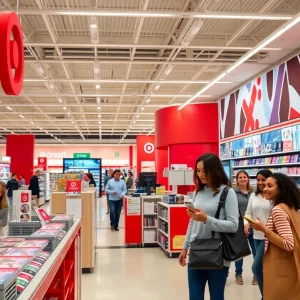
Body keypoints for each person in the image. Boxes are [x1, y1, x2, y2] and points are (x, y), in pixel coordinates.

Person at [178, 153, 239, 300]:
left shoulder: (227, 192)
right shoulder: (198, 192)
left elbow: (233, 225)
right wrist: (185, 247)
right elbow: (192, 221)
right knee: (195, 296)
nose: (200, 174)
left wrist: (206, 219)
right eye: (198, 171)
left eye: (204, 171)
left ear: (215, 170)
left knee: (217, 296)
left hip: (218, 253)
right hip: (196, 251)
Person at [248, 173, 300, 300]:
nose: (265, 188)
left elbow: (288, 243)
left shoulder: (278, 210)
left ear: (280, 189)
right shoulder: (290, 207)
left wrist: (264, 229)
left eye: (269, 186)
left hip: (281, 266)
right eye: (264, 185)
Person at [244, 169, 272, 298]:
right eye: (258, 180)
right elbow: (248, 212)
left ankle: (265, 296)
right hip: (256, 236)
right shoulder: (253, 196)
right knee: (263, 267)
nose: (260, 182)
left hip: (270, 237)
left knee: (256, 267)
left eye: (263, 179)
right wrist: (246, 223)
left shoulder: (274, 196)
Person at [233, 170, 256, 285]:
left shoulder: (254, 192)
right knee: (240, 252)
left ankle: (256, 274)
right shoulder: (233, 192)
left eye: (244, 177)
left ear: (248, 178)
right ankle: (238, 274)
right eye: (240, 177)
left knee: (256, 251)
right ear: (237, 179)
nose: (242, 179)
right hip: (239, 225)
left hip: (254, 225)